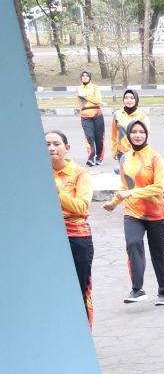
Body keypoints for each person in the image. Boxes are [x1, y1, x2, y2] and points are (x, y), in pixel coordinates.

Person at [103, 120, 164, 305]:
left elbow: (158, 187)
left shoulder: (155, 157)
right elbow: (125, 186)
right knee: (133, 243)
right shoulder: (125, 158)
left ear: (146, 134)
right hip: (133, 212)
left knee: (159, 254)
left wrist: (130, 193)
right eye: (134, 131)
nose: (138, 135)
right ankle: (137, 289)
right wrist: (114, 203)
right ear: (129, 135)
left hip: (156, 213)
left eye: (141, 131)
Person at [48, 129, 94, 324]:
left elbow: (82, 208)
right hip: (47, 239)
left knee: (80, 289)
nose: (51, 148)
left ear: (66, 148)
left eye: (56, 144)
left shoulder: (79, 173)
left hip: (76, 238)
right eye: (46, 144)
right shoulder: (36, 173)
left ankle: (85, 339)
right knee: (53, 292)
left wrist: (58, 193)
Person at [110, 88, 149, 164]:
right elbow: (114, 134)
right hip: (122, 151)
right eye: (126, 98)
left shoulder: (142, 115)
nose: (129, 100)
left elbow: (146, 133)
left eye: (132, 98)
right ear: (123, 100)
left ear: (136, 100)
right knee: (125, 174)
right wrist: (114, 150)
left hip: (138, 151)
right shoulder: (117, 114)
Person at [76, 71, 106, 166]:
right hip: (85, 116)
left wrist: (85, 96)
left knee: (99, 138)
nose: (84, 77)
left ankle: (99, 157)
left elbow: (98, 100)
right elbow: (80, 102)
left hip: (97, 114)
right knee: (89, 137)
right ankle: (91, 157)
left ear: (90, 77)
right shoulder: (79, 88)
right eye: (83, 76)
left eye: (87, 75)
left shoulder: (95, 87)